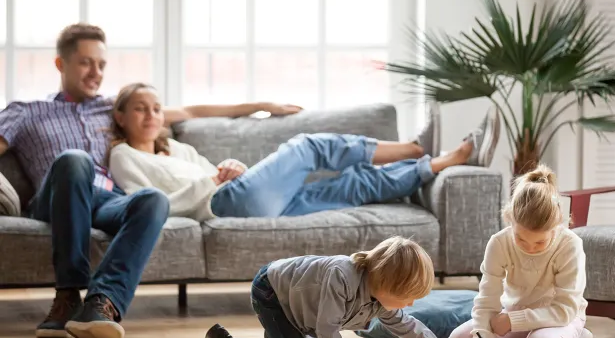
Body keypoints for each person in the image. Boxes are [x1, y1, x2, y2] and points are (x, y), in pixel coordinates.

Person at [0, 23, 302, 338]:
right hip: (57, 198)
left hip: (105, 199)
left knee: (153, 199)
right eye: (86, 62)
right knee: (75, 160)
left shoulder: (112, 107)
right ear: (61, 64)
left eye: (101, 64)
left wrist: (261, 106)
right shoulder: (27, 112)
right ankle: (67, 294)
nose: (96, 72)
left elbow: (190, 111)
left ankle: (102, 305)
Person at [106, 83, 501, 220]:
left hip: (245, 196)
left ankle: (440, 161)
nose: (151, 115)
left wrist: (231, 166)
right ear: (121, 117)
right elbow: (145, 204)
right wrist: (212, 182)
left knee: (353, 186)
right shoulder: (124, 156)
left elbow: (217, 170)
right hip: (222, 204)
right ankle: (414, 147)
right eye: (140, 108)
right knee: (309, 146)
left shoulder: (176, 147)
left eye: (156, 108)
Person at [202, 236, 486, 338]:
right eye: (406, 297)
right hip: (273, 291)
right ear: (385, 283)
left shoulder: (381, 300)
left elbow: (413, 331)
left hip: (302, 308)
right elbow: (328, 326)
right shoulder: (342, 276)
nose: (410, 305)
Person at [447, 164, 592, 338]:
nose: (530, 248)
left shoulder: (570, 245)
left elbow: (564, 310)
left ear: (557, 226)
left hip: (559, 319)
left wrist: (512, 321)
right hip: (513, 315)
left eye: (540, 242)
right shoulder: (498, 243)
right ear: (510, 220)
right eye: (521, 239)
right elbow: (487, 301)